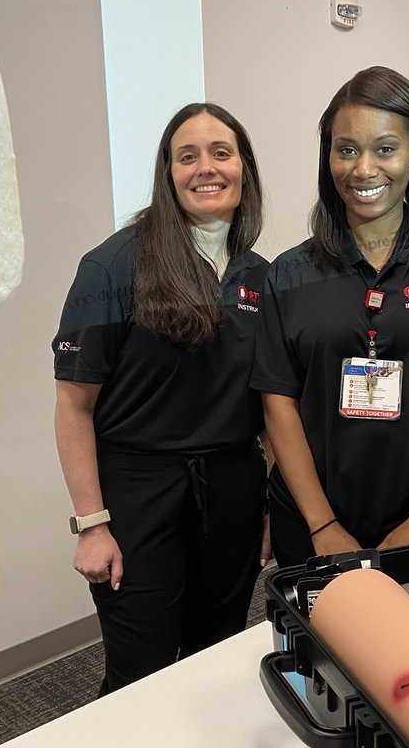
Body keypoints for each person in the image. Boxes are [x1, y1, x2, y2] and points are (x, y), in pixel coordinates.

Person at [53, 103, 269, 693]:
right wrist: (91, 524)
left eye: (221, 153)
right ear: (167, 171)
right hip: (137, 494)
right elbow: (74, 404)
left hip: (232, 490)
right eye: (188, 155)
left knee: (215, 656)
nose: (206, 168)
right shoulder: (113, 266)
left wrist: (268, 504)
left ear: (243, 168)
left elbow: (269, 408)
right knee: (138, 675)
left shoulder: (259, 275)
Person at [252, 66, 409, 566]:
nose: (363, 169)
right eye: (346, 150)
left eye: (385, 149)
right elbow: (278, 407)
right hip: (313, 521)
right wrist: (322, 525)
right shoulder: (288, 275)